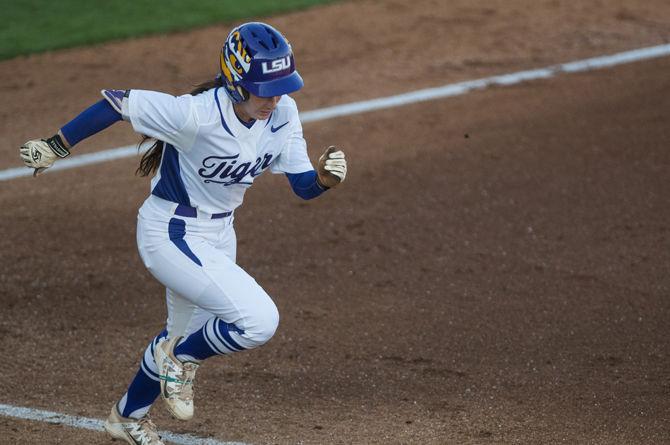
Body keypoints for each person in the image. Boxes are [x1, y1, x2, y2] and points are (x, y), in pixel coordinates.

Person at [19, 22, 347, 445]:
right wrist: (57, 144)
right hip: (170, 233)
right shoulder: (195, 114)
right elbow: (116, 104)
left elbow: (302, 186)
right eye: (266, 88)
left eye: (282, 86)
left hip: (220, 235)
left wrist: (323, 180)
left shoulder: (283, 115)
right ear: (234, 82)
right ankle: (180, 360)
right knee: (257, 321)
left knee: (178, 333)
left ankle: (127, 418)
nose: (276, 97)